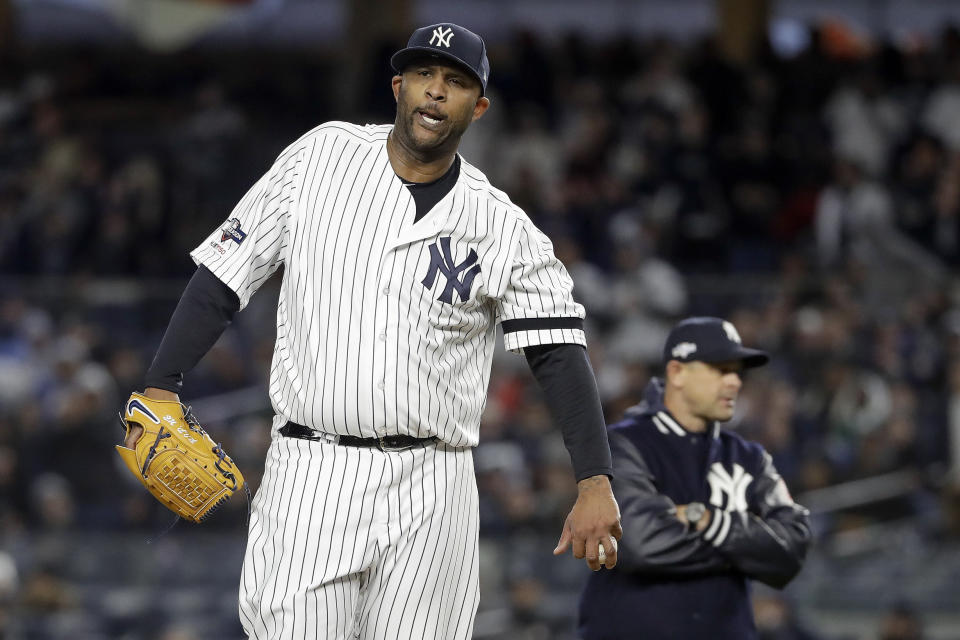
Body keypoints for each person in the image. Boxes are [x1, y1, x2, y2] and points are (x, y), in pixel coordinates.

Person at [121, 23, 621, 640]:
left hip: (434, 486)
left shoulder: (502, 226)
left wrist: (594, 480)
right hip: (312, 470)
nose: (436, 92)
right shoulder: (321, 157)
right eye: (424, 75)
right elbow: (226, 275)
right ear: (398, 86)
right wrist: (162, 382)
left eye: (456, 82)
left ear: (479, 107)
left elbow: (558, 352)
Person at [578, 317, 811, 640]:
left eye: (736, 372)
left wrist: (705, 519)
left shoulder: (750, 458)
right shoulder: (622, 445)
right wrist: (744, 547)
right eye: (720, 369)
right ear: (677, 372)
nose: (734, 382)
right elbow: (639, 542)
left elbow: (790, 550)